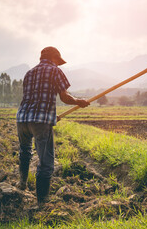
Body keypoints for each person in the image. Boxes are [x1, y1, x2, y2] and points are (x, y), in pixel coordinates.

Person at [16, 46, 90, 207]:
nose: (59, 64)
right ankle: (42, 201)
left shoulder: (29, 73)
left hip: (22, 118)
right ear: (55, 58)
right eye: (58, 61)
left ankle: (22, 183)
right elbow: (64, 97)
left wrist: (51, 116)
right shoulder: (54, 71)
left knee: (25, 150)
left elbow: (34, 99)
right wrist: (79, 101)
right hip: (40, 121)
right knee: (46, 161)